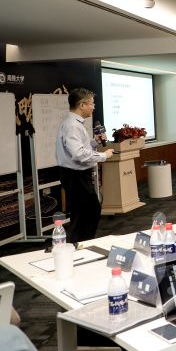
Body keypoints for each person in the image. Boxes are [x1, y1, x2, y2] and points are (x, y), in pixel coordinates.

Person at [56, 88, 112, 242]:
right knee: (87, 213)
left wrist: (95, 142)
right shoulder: (72, 125)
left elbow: (79, 148)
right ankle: (79, 245)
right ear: (82, 105)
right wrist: (104, 156)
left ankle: (80, 244)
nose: (93, 107)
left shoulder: (74, 123)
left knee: (85, 213)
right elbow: (78, 154)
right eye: (91, 104)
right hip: (75, 176)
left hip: (77, 175)